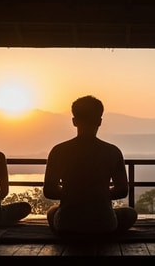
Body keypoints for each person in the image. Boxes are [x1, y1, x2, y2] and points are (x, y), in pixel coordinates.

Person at [43, 95, 138, 237]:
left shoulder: (59, 151)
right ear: (99, 122)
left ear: (74, 121)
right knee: (130, 213)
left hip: (67, 224)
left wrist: (74, 194)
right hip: (104, 224)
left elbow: (49, 191)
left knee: (52, 211)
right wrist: (98, 194)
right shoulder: (112, 151)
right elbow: (122, 190)